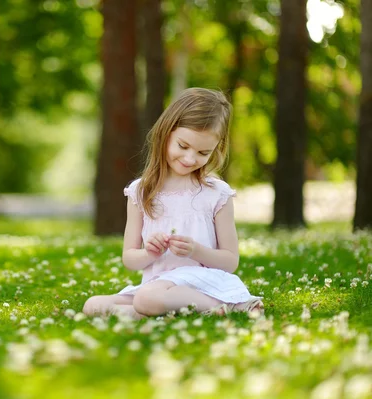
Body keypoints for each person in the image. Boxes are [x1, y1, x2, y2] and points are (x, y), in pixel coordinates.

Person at [83, 88, 263, 319]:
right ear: (165, 133)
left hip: (202, 285)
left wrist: (196, 250)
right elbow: (130, 258)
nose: (190, 159)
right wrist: (149, 251)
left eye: (203, 152)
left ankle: (228, 305)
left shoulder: (215, 193)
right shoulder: (141, 192)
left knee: (147, 299)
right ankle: (157, 312)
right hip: (156, 285)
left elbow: (230, 261)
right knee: (93, 305)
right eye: (183, 146)